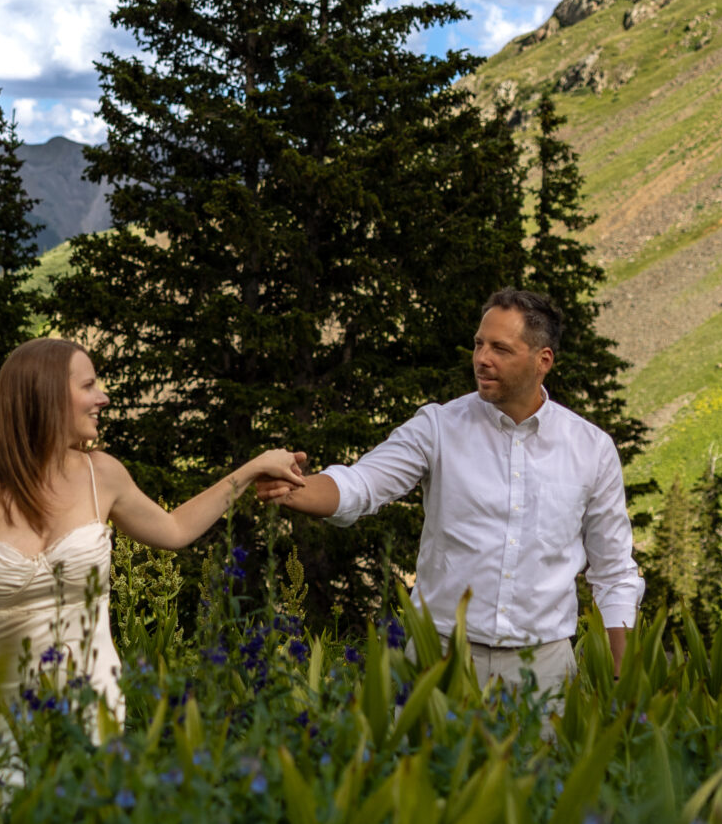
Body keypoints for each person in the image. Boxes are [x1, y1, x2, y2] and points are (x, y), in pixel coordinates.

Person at [0, 335, 304, 762]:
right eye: (89, 385)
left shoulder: (100, 475)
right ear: (45, 396)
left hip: (89, 704)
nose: (103, 396)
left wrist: (250, 470)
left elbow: (176, 528)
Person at [260, 287, 641, 698]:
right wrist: (296, 489)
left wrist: (620, 681)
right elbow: (362, 484)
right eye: (479, 344)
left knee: (541, 766)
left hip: (544, 674)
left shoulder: (591, 448)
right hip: (436, 661)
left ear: (542, 360)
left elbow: (614, 574)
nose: (481, 358)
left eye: (500, 348)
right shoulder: (438, 427)